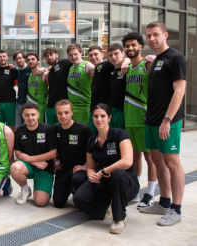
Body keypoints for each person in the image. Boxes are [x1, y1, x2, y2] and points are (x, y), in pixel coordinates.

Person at [139, 21, 187, 226]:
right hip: (151, 120)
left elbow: (179, 91)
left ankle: (176, 209)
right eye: (148, 35)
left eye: (155, 34)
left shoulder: (176, 58)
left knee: (172, 163)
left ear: (165, 35)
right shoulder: (157, 59)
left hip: (168, 121)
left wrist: (167, 120)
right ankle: (164, 201)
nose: (151, 39)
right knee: (158, 162)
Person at [73, 103, 139, 234]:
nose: (99, 119)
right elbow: (91, 167)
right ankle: (108, 205)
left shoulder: (120, 134)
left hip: (125, 183)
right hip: (104, 183)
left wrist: (104, 171)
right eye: (96, 116)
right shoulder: (92, 141)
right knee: (79, 199)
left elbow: (127, 161)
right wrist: (91, 175)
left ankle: (119, 218)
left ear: (109, 118)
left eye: (103, 116)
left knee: (118, 173)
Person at [122, 31, 157, 208]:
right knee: (134, 157)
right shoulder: (127, 68)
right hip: (130, 118)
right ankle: (135, 191)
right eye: (127, 46)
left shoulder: (148, 65)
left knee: (150, 157)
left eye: (133, 45)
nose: (130, 48)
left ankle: (150, 193)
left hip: (144, 118)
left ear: (140, 46)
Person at [10, 102, 57, 206]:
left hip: (45, 168)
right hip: (28, 166)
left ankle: (40, 187)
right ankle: (26, 189)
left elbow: (53, 153)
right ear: (22, 116)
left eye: (33, 114)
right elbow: (18, 154)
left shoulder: (48, 129)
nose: (30, 117)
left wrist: (32, 159)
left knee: (40, 202)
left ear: (38, 115)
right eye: (27, 115)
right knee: (15, 167)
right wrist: (35, 162)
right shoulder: (19, 130)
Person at [52, 99, 93, 208]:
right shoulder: (55, 129)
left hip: (78, 170)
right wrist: (54, 161)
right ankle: (70, 187)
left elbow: (94, 150)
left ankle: (78, 190)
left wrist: (86, 166)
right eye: (59, 113)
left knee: (77, 180)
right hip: (63, 170)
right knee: (58, 203)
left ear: (72, 113)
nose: (63, 116)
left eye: (66, 112)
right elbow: (52, 148)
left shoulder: (83, 129)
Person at [12, 51, 45, 126]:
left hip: (30, 103)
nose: (18, 60)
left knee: (32, 126)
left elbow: (41, 71)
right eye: (16, 59)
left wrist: (43, 68)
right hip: (19, 102)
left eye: (20, 58)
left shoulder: (30, 69)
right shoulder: (18, 71)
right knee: (18, 128)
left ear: (24, 59)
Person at [87, 45, 114, 133]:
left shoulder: (107, 64)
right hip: (94, 108)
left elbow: (122, 60)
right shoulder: (96, 69)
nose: (93, 57)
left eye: (96, 54)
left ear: (102, 55)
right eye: (91, 55)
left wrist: (126, 61)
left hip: (104, 109)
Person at [43, 47, 73, 125]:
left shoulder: (63, 62)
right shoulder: (49, 72)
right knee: (51, 130)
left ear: (57, 55)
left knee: (64, 129)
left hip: (63, 105)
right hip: (50, 106)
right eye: (46, 56)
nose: (49, 57)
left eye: (51, 55)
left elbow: (77, 63)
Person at [66, 43, 95, 125]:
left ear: (81, 52)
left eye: (76, 54)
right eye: (71, 55)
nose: (73, 57)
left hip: (84, 106)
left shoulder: (88, 65)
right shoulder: (71, 68)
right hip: (72, 106)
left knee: (83, 133)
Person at [0, 49, 18, 132]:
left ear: (7, 57)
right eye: (0, 57)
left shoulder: (13, 70)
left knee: (11, 125)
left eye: (4, 56)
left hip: (10, 102)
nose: (2, 58)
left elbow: (19, 82)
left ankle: (12, 144)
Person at [107, 44, 127, 130]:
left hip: (123, 111)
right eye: (110, 55)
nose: (113, 57)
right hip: (113, 110)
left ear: (123, 53)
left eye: (116, 54)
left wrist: (126, 61)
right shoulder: (111, 69)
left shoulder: (128, 68)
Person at [26, 52, 48, 122]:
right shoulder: (29, 76)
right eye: (28, 60)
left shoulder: (44, 74)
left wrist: (44, 69)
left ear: (38, 61)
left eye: (33, 59)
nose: (31, 61)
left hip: (40, 108)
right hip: (29, 107)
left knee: (41, 130)